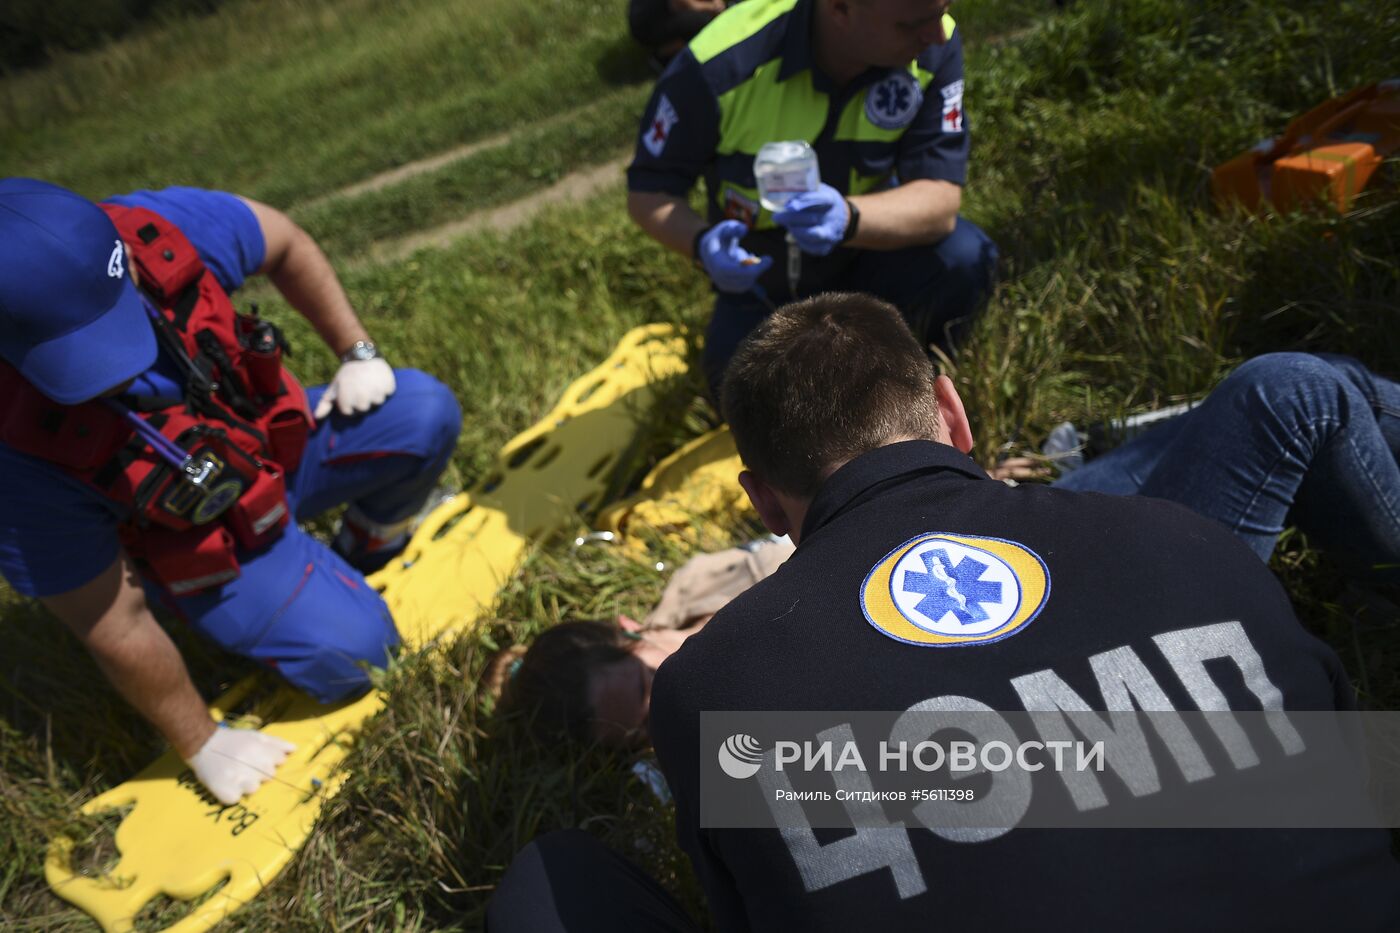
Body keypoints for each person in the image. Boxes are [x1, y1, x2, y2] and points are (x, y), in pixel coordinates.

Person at [491, 293, 1400, 931]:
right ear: (956, 414)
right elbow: (1354, 769)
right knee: (1290, 391)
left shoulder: (716, 691)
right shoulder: (1183, 539)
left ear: (765, 503)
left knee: (546, 880)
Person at [0, 179, 462, 805]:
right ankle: (284, 589)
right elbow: (110, 620)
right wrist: (201, 739)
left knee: (423, 410)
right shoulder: (17, 451)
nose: (116, 360)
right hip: (202, 543)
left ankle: (364, 546)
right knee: (359, 654)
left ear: (122, 255)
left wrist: (356, 353)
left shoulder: (158, 230)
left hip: (276, 453)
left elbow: (287, 241)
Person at [626, 0, 998, 400]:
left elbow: (939, 199)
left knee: (963, 259)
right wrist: (703, 245)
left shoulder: (933, 44)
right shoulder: (719, 63)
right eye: (910, 25)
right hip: (764, 280)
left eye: (940, 13)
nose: (936, 34)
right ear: (839, 9)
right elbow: (650, 190)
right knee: (735, 384)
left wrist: (848, 218)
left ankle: (917, 388)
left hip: (870, 249)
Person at [1017, 353, 1400, 585]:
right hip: (1091, 605)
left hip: (1031, 549)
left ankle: (1185, 423)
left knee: (1328, 375)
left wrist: (976, 495)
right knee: (1296, 390)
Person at [491, 537, 794, 746]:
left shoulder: (706, 580)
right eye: (647, 729)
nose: (671, 710)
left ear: (631, 628)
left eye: (650, 682)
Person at [629, 0, 736, 71]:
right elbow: (679, 5)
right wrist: (712, 7)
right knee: (705, 23)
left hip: (663, 12)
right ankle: (662, 56)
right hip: (648, 25)